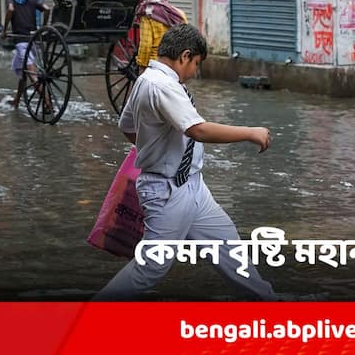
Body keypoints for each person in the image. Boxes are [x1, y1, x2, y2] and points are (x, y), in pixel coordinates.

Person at [95, 24, 277, 301]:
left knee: (227, 246)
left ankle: (268, 302)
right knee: (151, 268)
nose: (194, 72)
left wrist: (153, 146)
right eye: (196, 64)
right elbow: (197, 130)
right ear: (185, 56)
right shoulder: (162, 85)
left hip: (191, 185)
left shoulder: (147, 79)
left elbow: (127, 126)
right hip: (167, 191)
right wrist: (250, 133)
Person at [1, 0, 50, 109]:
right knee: (22, 72)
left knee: (31, 73)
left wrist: (5, 30)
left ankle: (48, 103)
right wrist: (43, 28)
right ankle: (17, 101)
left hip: (22, 41)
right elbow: (46, 9)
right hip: (32, 39)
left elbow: (10, 9)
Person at [135, 0, 188, 71]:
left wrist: (142, 65)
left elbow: (146, 44)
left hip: (155, 64)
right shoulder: (180, 14)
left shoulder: (148, 16)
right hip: (175, 64)